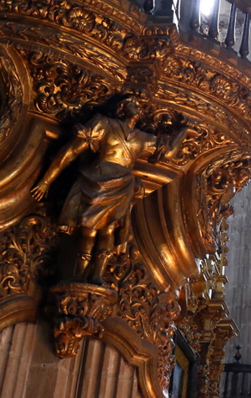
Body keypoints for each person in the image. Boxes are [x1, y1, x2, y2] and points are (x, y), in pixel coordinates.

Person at [32, 95, 187, 282]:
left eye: (139, 105)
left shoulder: (143, 138)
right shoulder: (103, 124)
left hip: (122, 184)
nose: (138, 107)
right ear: (121, 108)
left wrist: (184, 131)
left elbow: (168, 152)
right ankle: (79, 275)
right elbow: (71, 151)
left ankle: (97, 275)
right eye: (133, 103)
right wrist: (46, 181)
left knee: (109, 230)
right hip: (98, 179)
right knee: (88, 230)